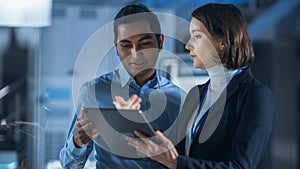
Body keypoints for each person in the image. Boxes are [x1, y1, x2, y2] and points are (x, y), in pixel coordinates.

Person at [125, 3, 274, 169]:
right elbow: (172, 151)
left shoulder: (255, 95)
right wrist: (134, 120)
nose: (188, 45)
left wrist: (175, 162)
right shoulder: (196, 93)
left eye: (197, 36)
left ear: (222, 43)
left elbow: (240, 166)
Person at [59, 4, 184, 168]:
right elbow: (68, 165)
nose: (135, 53)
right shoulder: (94, 92)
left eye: (144, 43)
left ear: (160, 42)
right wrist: (77, 143)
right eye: (125, 45)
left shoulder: (180, 99)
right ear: (116, 47)